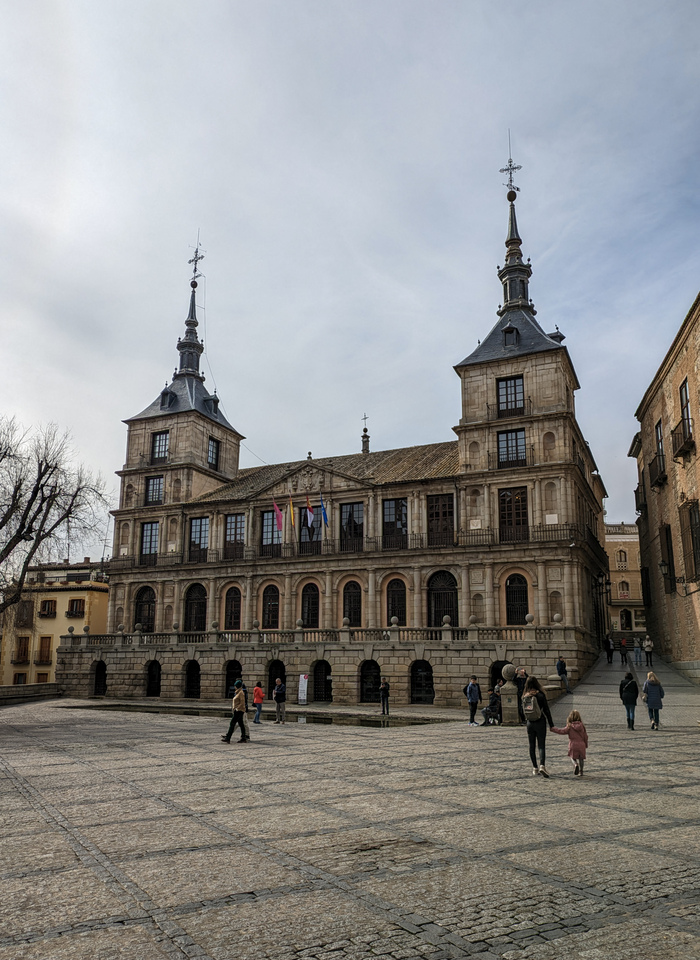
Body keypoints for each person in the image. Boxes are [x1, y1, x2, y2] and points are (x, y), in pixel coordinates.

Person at [522, 676, 554, 777]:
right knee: (541, 745)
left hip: (530, 723)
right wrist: (551, 724)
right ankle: (542, 766)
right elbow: (546, 710)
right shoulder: (540, 695)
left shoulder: (525, 696)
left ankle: (535, 768)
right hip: (540, 721)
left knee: (531, 746)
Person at [551, 709, 589, 776]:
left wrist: (553, 729)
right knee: (581, 758)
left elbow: (562, 731)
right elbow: (585, 736)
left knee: (572, 757)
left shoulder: (569, 726)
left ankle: (575, 764)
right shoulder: (582, 726)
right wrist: (585, 744)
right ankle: (581, 771)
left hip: (573, 744)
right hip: (581, 744)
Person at [221, 679, 249, 743]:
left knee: (232, 723)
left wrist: (237, 709)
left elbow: (242, 703)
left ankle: (228, 738)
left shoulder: (241, 693)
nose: (234, 687)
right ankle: (243, 737)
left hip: (239, 711)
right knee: (241, 724)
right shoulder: (238, 692)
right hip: (238, 710)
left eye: (235, 685)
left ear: (237, 686)